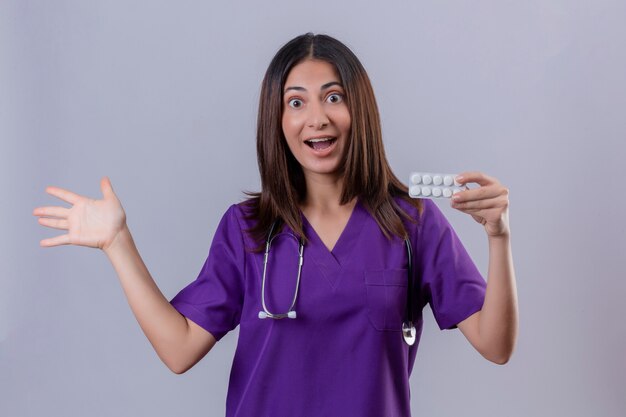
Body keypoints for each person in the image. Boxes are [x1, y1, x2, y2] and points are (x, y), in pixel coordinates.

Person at [33, 33, 518, 417]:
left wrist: (498, 237)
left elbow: (496, 346)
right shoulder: (247, 229)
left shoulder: (412, 224)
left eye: (333, 97)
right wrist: (118, 243)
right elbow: (179, 348)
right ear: (277, 120)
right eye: (296, 102)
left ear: (360, 111)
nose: (317, 118)